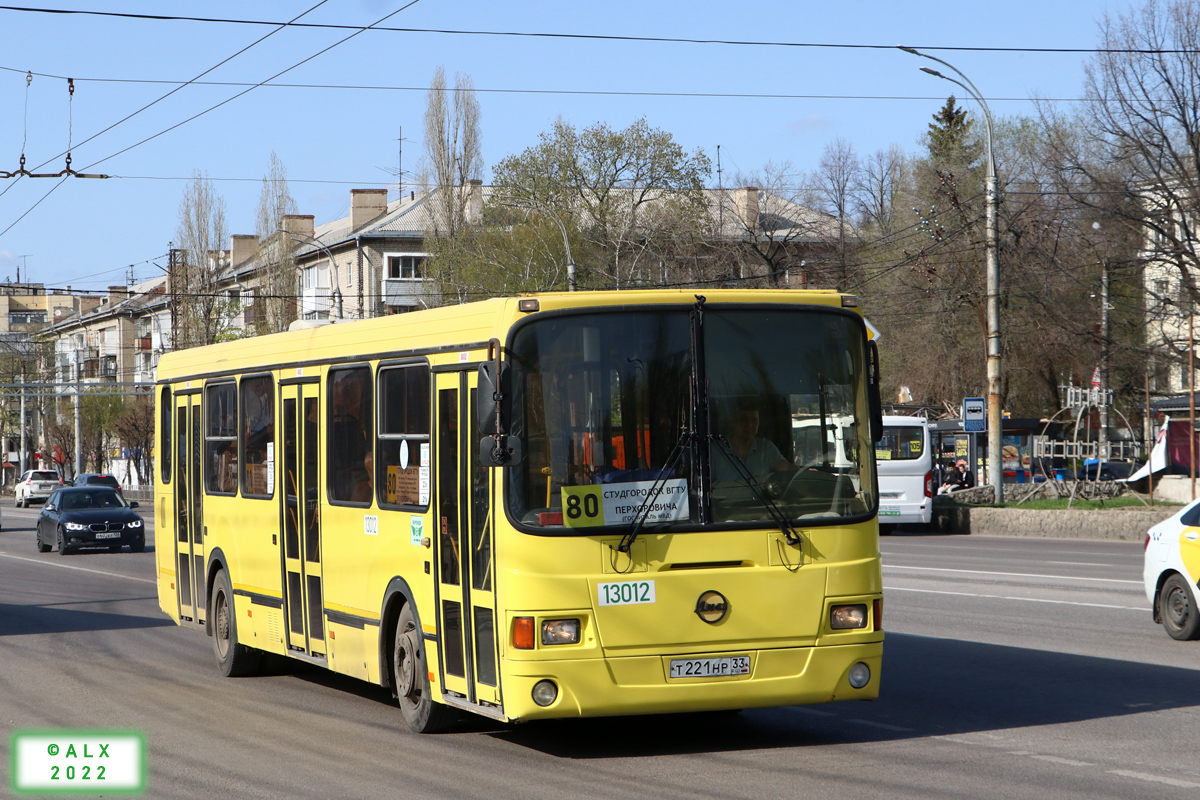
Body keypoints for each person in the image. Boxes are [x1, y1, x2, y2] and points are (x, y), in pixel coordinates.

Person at [713, 403, 797, 484]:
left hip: (760, 499)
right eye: (743, 419)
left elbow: (786, 468)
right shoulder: (715, 450)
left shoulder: (766, 447)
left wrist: (803, 473)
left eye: (754, 420)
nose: (750, 425)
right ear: (732, 422)